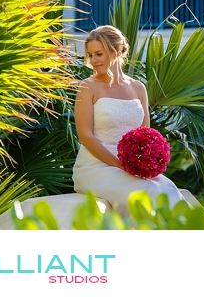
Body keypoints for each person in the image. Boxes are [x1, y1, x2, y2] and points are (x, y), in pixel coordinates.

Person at [72, 25, 185, 215]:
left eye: (98, 54)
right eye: (90, 55)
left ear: (116, 51)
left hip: (130, 167)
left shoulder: (138, 88)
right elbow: (85, 137)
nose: (93, 60)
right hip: (95, 167)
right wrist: (121, 165)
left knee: (168, 189)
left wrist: (144, 165)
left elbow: (146, 136)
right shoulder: (88, 87)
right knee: (146, 193)